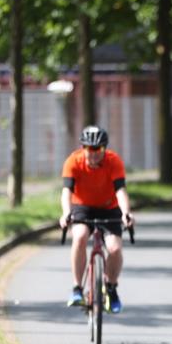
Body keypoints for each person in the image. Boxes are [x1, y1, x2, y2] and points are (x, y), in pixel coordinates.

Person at [59, 125, 134, 311]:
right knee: (80, 236)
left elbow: (121, 191)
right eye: (88, 149)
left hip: (109, 207)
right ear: (83, 148)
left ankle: (111, 287)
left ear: (104, 149)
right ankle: (77, 288)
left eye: (98, 149)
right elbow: (66, 192)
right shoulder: (73, 162)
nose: (92, 154)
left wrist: (126, 213)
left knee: (115, 248)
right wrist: (66, 213)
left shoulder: (114, 161)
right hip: (82, 207)